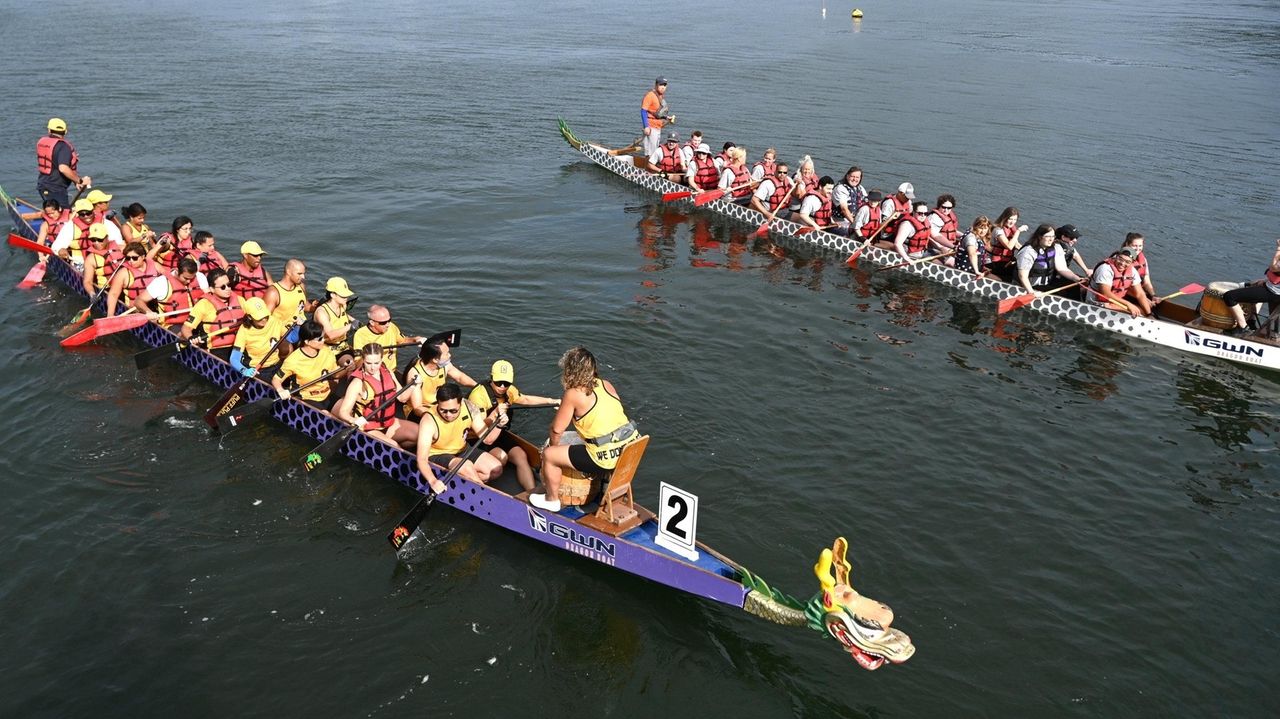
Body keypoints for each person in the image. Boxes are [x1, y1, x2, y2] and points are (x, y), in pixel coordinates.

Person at [531, 347, 641, 512]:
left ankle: (552, 500)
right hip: (631, 448)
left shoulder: (573, 393)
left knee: (549, 455)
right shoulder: (606, 384)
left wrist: (553, 450)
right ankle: (606, 491)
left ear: (571, 371)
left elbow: (556, 430)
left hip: (604, 458)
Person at [416, 383, 505, 492]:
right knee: (467, 466)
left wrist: (499, 425)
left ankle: (466, 482)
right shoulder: (428, 420)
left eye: (453, 411)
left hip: (462, 449)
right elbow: (421, 459)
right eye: (443, 410)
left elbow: (487, 439)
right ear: (438, 403)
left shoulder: (469, 407)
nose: (448, 415)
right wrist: (433, 481)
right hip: (438, 454)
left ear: (461, 403)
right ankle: (484, 493)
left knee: (496, 469)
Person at [335, 343, 419, 450]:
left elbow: (402, 398)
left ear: (381, 359)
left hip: (388, 423)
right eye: (368, 363)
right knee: (395, 447)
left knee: (417, 433)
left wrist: (413, 385)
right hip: (368, 427)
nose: (373, 367)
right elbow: (343, 412)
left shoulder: (387, 372)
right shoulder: (357, 383)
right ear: (363, 360)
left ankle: (387, 445)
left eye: (376, 363)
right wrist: (353, 420)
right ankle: (390, 447)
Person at [273, 320, 341, 411]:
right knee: (327, 416)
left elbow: (335, 374)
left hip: (327, 395)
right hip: (306, 398)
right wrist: (280, 390)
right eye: (320, 339)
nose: (324, 340)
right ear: (307, 341)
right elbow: (276, 379)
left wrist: (348, 368)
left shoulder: (326, 351)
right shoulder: (293, 360)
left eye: (323, 337)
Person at [403, 336, 477, 416]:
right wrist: (440, 415)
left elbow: (460, 377)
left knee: (471, 410)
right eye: (446, 354)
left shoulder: (445, 365)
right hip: (422, 410)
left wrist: (477, 386)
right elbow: (417, 408)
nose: (449, 355)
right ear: (435, 360)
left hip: (441, 404)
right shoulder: (415, 374)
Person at [1221, 238, 1280, 337]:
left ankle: (1243, 328)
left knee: (1229, 296)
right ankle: (1251, 321)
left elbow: (1273, 267)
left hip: (1274, 293)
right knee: (1255, 284)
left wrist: (1278, 248)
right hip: (1274, 289)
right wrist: (1266, 281)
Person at [181, 268, 244, 359]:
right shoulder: (203, 305)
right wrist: (191, 338)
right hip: (215, 350)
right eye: (223, 287)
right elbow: (186, 328)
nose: (227, 289)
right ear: (212, 289)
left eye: (229, 285)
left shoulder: (240, 300)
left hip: (239, 346)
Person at [352, 304, 425, 374]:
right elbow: (358, 363)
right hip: (372, 373)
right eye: (383, 322)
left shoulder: (391, 327)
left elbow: (402, 342)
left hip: (390, 371)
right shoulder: (361, 335)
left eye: (389, 320)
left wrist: (415, 339)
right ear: (372, 322)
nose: (388, 324)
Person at [133, 257, 207, 325]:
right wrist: (148, 312)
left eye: (192, 278)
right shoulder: (161, 282)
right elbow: (138, 300)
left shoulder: (200, 276)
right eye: (186, 278)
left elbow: (208, 296)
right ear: (177, 271)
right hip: (173, 325)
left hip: (197, 320)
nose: (188, 281)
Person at [1015, 225, 1083, 296]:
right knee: (1061, 294)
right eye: (1048, 236)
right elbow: (1023, 276)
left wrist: (1077, 279)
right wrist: (1031, 292)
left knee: (1074, 286)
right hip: (1030, 286)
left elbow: (1062, 268)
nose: (1051, 239)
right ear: (1039, 237)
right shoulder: (1028, 251)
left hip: (1047, 282)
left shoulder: (1055, 247)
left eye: (1053, 236)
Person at [36, 118, 90, 207]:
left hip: (42, 185)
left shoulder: (43, 142)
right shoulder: (63, 147)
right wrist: (80, 181)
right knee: (63, 215)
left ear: (49, 130)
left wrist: (75, 182)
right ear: (65, 132)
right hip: (56, 189)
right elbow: (63, 168)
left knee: (53, 212)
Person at [230, 296, 287, 377]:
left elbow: (291, 335)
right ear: (249, 317)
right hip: (257, 370)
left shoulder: (274, 320)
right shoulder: (244, 331)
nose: (264, 319)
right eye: (259, 317)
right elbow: (234, 359)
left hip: (277, 365)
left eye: (265, 315)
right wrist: (245, 371)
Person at [52, 199, 120, 265]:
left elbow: (118, 243)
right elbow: (57, 246)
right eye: (82, 214)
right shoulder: (70, 226)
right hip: (79, 262)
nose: (86, 216)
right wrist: (60, 250)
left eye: (88, 213)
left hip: (105, 260)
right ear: (78, 214)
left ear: (93, 211)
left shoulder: (106, 223)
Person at [1087, 248, 1151, 317]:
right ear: (1116, 256)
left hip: (1115, 302)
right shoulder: (1105, 269)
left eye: (1127, 261)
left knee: (1142, 311)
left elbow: (1140, 294)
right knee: (1137, 312)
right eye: (1120, 259)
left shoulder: (1132, 271)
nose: (1122, 263)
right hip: (1096, 303)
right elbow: (1105, 293)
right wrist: (1128, 304)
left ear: (1132, 262)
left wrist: (1149, 314)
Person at [105, 241, 163, 316]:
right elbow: (113, 294)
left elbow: (169, 279)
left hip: (155, 309)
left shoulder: (155, 266)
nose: (131, 261)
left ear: (143, 257)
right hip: (134, 311)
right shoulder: (123, 273)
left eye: (134, 258)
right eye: (128, 258)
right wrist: (110, 316)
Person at [315, 277, 356, 358]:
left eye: (347, 295)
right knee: (349, 364)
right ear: (333, 295)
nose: (346, 298)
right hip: (327, 348)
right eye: (343, 296)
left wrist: (354, 320)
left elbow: (342, 315)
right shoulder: (322, 312)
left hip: (343, 345)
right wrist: (351, 326)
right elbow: (330, 335)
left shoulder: (342, 305)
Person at [80, 224, 124, 295]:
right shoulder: (91, 259)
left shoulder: (121, 249)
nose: (96, 243)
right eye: (93, 240)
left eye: (100, 240)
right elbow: (87, 281)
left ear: (107, 237)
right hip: (107, 290)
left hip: (124, 286)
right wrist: (92, 293)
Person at [989, 207, 1028, 280]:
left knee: (1024, 267)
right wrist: (1018, 231)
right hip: (994, 263)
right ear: (1004, 218)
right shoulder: (998, 230)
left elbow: (1017, 245)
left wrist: (1029, 253)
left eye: (1015, 219)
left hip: (1006, 262)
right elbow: (1009, 246)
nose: (1012, 222)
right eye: (1010, 219)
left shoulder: (1011, 230)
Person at [640, 77, 674, 158]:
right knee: (650, 153)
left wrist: (666, 118)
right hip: (651, 127)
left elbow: (656, 112)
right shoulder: (650, 95)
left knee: (654, 151)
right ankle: (648, 169)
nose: (663, 87)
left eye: (665, 85)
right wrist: (646, 127)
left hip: (657, 127)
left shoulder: (660, 96)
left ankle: (650, 168)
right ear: (656, 85)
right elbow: (643, 111)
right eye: (661, 85)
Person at [1121, 232, 1158, 302]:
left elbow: (1146, 280)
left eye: (1140, 246)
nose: (1138, 248)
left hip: (1139, 293)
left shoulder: (1143, 260)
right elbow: (1123, 286)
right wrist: (1143, 299)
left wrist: (1153, 295)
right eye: (1135, 246)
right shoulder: (1122, 261)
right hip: (1125, 294)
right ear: (1127, 244)